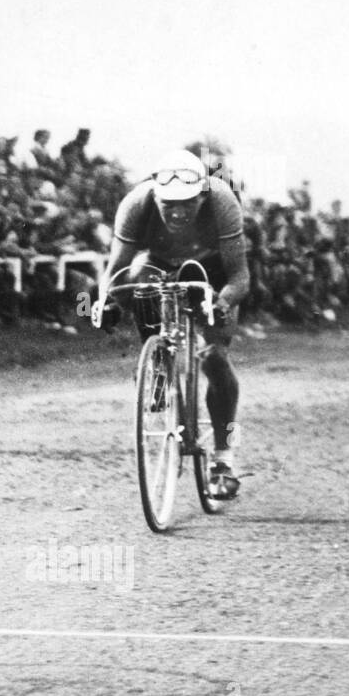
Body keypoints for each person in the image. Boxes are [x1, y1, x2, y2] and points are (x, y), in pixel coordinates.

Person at [97, 149, 249, 497]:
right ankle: (159, 362)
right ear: (155, 194)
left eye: (188, 203)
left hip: (211, 271)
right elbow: (115, 271)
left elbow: (240, 276)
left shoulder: (223, 201)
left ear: (203, 194)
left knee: (213, 357)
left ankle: (223, 460)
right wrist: (105, 303)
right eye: (169, 204)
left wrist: (223, 302)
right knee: (136, 277)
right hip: (158, 266)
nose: (179, 213)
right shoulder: (136, 204)